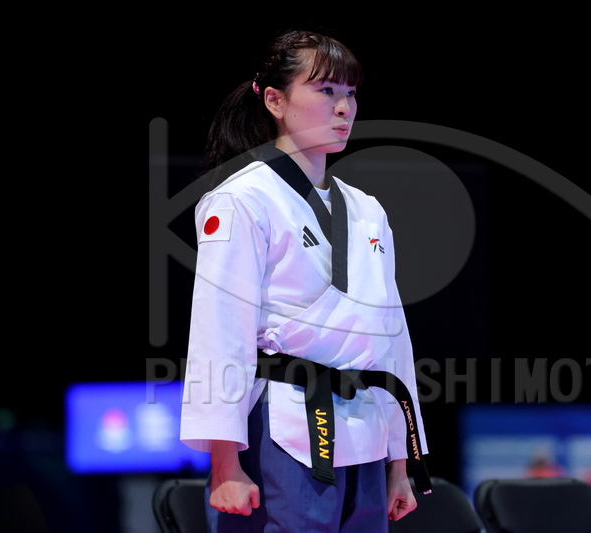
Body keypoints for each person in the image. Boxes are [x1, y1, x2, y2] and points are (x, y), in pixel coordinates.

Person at [179, 29, 430, 532]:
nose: (343, 107)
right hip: (283, 425)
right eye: (325, 90)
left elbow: (391, 337)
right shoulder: (242, 199)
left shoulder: (366, 209)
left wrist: (402, 462)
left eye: (350, 93)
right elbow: (219, 333)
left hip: (366, 430)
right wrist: (225, 463)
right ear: (275, 100)